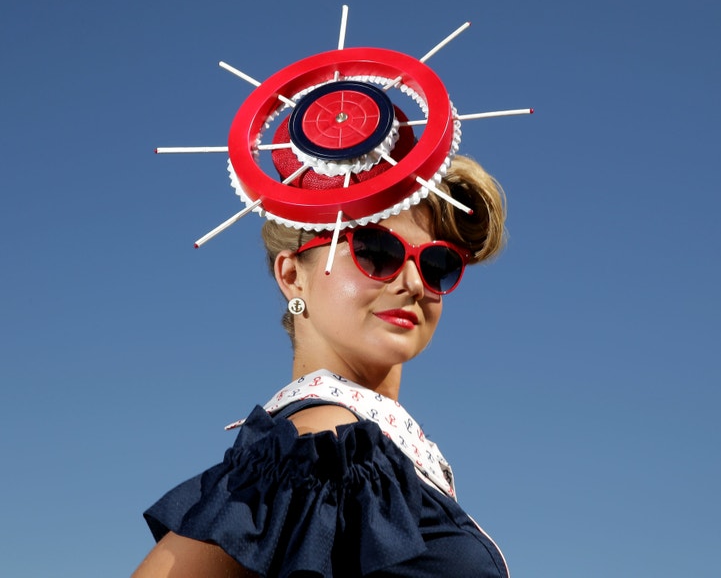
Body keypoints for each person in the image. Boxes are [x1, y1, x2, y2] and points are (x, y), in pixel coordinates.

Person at [133, 155, 510, 577]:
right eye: (376, 251)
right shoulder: (321, 443)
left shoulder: (361, 452)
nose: (414, 283)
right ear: (293, 276)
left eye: (437, 263)